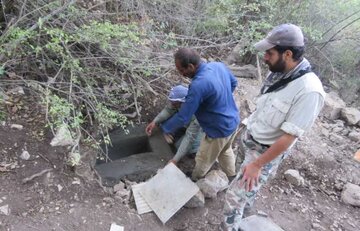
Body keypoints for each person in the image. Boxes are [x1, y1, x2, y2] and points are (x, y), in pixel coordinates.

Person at [223, 23, 326, 230]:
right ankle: (245, 211)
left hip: (264, 152)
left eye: (269, 53)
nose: (265, 57)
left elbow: (289, 138)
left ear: (287, 54)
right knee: (244, 192)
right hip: (251, 139)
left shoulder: (309, 90)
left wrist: (257, 164)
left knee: (233, 200)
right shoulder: (279, 72)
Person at [161, 48, 240, 181]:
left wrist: (165, 128)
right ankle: (232, 176)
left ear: (191, 66)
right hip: (233, 121)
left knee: (202, 159)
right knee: (226, 150)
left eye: (182, 70)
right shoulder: (218, 66)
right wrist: (220, 100)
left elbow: (183, 116)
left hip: (217, 130)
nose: (181, 74)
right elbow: (233, 83)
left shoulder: (198, 85)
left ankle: (195, 180)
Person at [145, 85, 203, 164]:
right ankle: (178, 132)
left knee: (179, 146)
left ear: (184, 102)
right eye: (173, 103)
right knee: (167, 123)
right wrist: (154, 122)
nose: (173, 105)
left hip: (202, 129)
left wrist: (175, 159)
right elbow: (168, 110)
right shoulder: (180, 102)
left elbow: (190, 137)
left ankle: (197, 149)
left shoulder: (197, 114)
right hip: (187, 120)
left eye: (175, 104)